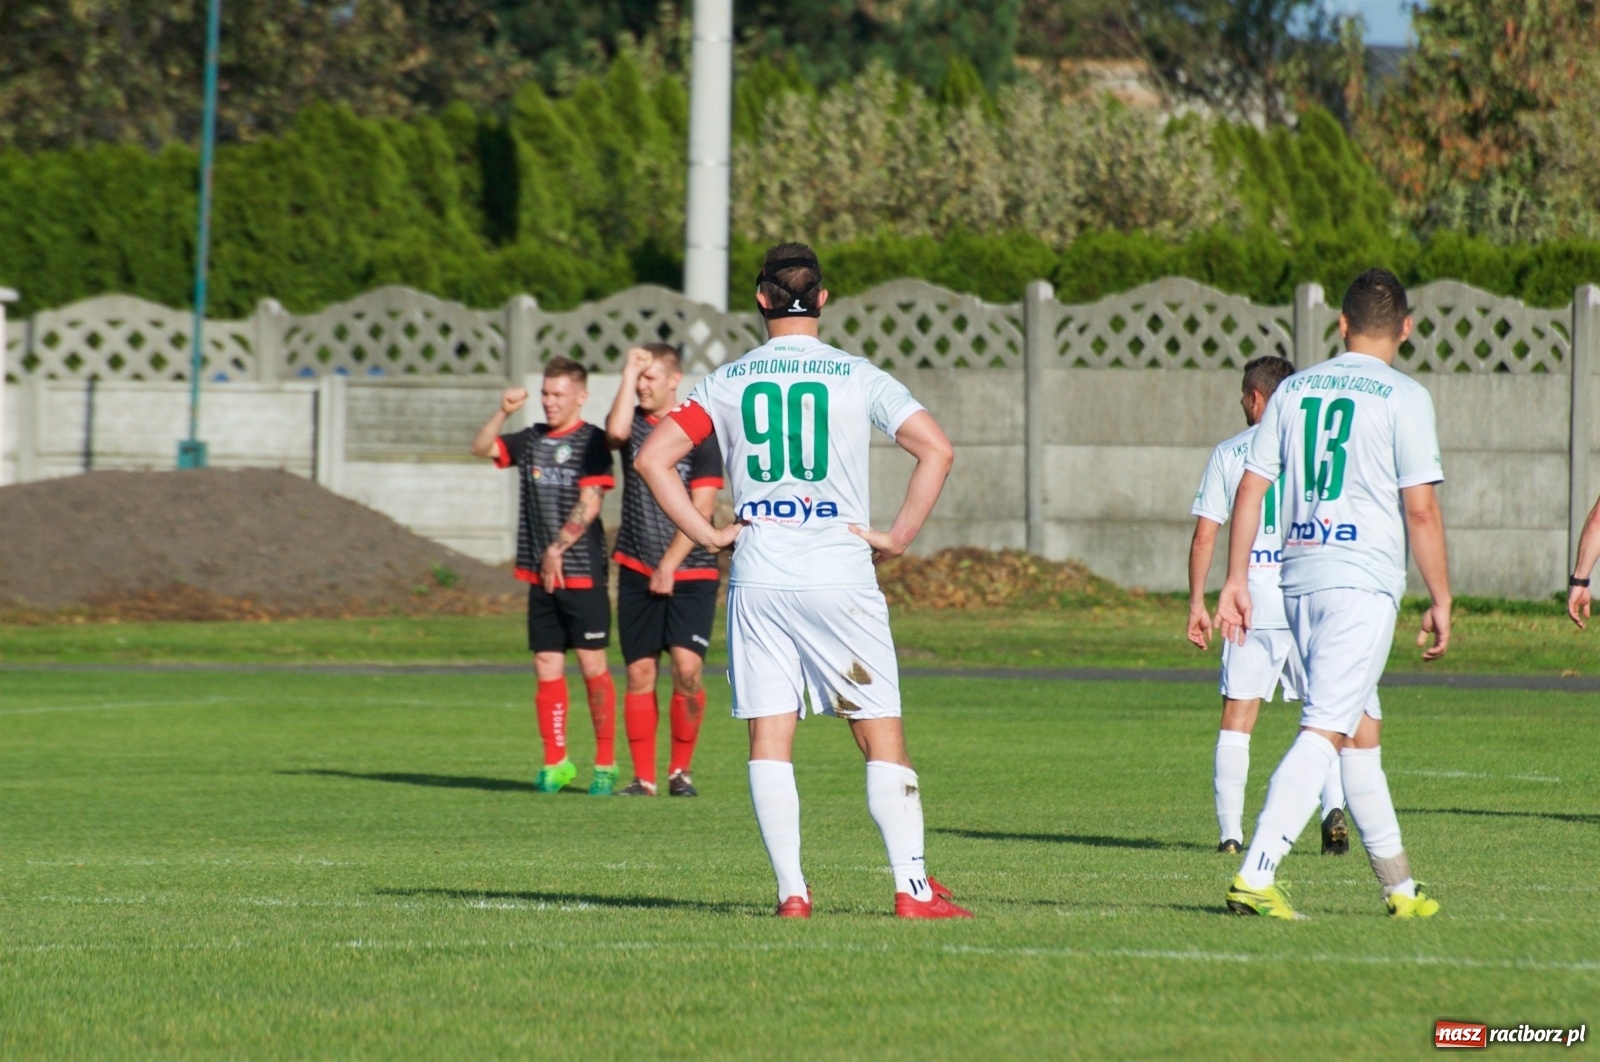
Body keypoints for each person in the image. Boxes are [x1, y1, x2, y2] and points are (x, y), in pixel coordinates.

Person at [634, 242, 971, 919]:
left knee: (769, 736)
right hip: (838, 572)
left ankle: (792, 891)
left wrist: (709, 536)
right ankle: (911, 889)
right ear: (821, 299)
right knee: (878, 732)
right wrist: (897, 537)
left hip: (760, 573)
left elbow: (652, 458)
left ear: (760, 299)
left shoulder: (728, 380)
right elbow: (936, 448)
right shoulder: (856, 375)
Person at [1216, 268, 1450, 919]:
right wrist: (1443, 596)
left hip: (1299, 580)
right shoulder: (1404, 395)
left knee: (1360, 734)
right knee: (1325, 729)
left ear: (1341, 324)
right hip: (1362, 582)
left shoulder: (1293, 390)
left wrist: (1235, 578)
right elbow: (1422, 510)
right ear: (1405, 328)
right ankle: (1256, 874)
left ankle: (1400, 890)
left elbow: (1253, 485)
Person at [1188, 356, 1348, 857]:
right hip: (1307, 592)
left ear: (1256, 398)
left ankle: (1231, 835)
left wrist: (1197, 601)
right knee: (1323, 712)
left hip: (1250, 596)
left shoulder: (1231, 452)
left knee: (1238, 717)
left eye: (1243, 396)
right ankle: (1333, 815)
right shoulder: (1316, 452)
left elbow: (1204, 535)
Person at [470, 357, 620, 796]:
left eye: (559, 394)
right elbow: (481, 448)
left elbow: (591, 503)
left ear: (581, 397)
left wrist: (557, 547)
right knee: (545, 666)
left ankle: (606, 763)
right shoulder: (531, 439)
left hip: (582, 574)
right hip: (542, 579)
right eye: (546, 394)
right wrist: (502, 412)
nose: (550, 402)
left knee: (593, 667)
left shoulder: (593, 442)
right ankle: (556, 762)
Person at [604, 342, 725, 797]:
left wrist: (670, 564)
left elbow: (703, 506)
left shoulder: (699, 432)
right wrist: (626, 372)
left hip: (691, 571)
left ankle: (680, 772)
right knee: (638, 674)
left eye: (650, 377)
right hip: (636, 566)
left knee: (687, 669)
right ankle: (644, 778)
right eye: (638, 377)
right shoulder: (633, 424)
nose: (641, 385)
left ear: (675, 380)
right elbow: (614, 435)